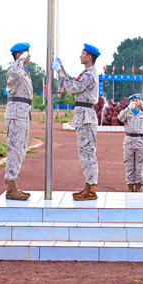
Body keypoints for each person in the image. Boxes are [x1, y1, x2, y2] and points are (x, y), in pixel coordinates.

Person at [53, 44, 101, 200]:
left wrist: (59, 72)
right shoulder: (87, 73)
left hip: (86, 116)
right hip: (84, 115)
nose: (80, 56)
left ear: (89, 57)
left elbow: (73, 87)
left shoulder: (89, 74)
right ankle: (89, 186)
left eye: (83, 54)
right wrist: (62, 69)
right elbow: (74, 81)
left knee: (87, 153)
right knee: (85, 153)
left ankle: (91, 189)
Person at [4, 42, 34, 200]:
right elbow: (15, 71)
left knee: (21, 150)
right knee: (15, 150)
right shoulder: (14, 69)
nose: (29, 56)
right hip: (16, 114)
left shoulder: (24, 71)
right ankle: (11, 186)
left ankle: (13, 183)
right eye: (26, 54)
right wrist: (20, 60)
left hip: (23, 113)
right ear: (19, 55)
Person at [117, 94, 143, 191]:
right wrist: (128, 108)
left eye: (137, 100)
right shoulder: (126, 114)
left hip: (140, 142)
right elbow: (120, 118)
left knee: (139, 165)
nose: (135, 102)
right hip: (129, 141)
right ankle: (130, 185)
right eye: (133, 100)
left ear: (140, 103)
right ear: (129, 102)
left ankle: (139, 185)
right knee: (129, 165)